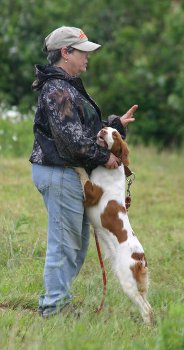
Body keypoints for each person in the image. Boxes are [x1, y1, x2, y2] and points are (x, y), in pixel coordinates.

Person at [30, 26, 137, 318]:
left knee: (75, 245)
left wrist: (117, 123)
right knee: (65, 243)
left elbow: (85, 128)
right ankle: (54, 308)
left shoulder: (67, 86)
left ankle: (58, 301)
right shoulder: (58, 89)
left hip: (67, 172)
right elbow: (72, 140)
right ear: (66, 53)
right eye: (83, 51)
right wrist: (107, 157)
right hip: (58, 171)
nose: (88, 57)